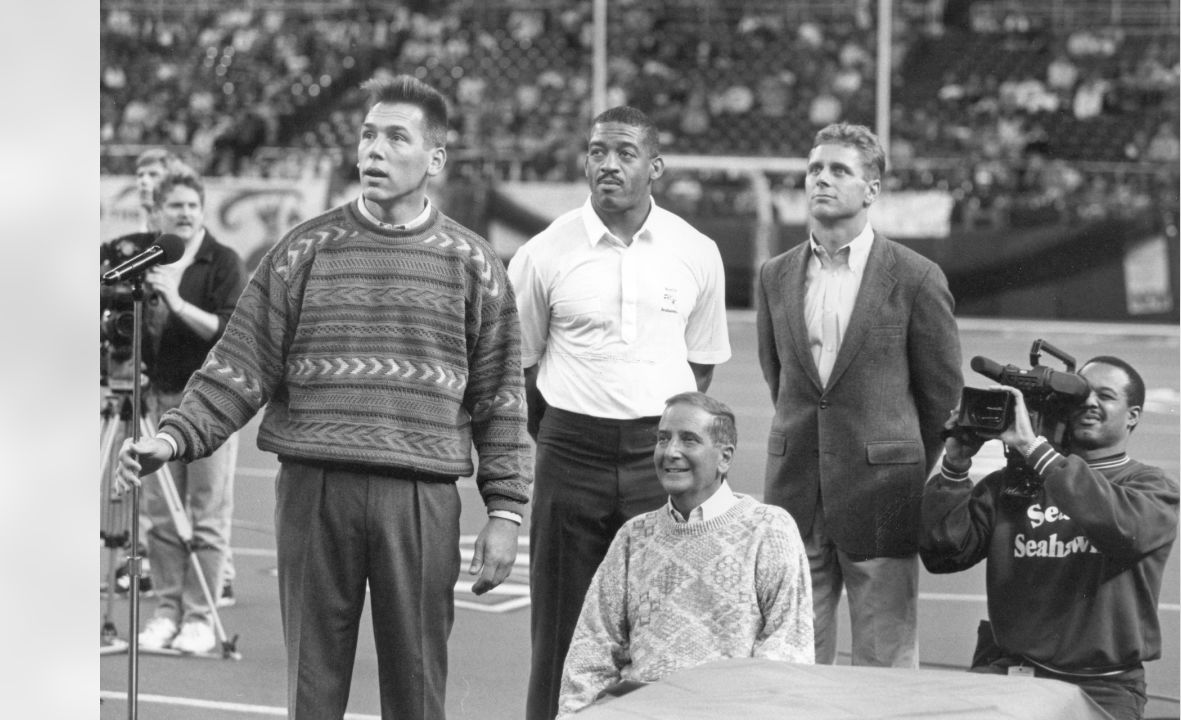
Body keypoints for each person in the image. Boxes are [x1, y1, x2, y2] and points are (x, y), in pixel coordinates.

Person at [116, 74, 531, 719]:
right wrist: (172, 438)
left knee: (418, 690)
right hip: (313, 488)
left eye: (396, 137)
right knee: (311, 688)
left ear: (436, 159)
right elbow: (237, 366)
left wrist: (505, 512)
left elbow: (501, 399)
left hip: (419, 497)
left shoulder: (474, 264)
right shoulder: (301, 250)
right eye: (368, 134)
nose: (375, 150)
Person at [509, 105, 732, 720]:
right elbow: (522, 365)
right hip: (569, 451)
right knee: (560, 627)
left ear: (654, 166)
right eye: (597, 151)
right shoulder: (542, 252)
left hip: (660, 459)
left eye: (624, 152)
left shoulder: (696, 250)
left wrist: (657, 429)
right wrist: (561, 428)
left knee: (667, 624)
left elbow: (700, 367)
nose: (608, 164)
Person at [756, 122, 963, 668]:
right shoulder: (775, 275)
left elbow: (943, 398)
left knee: (884, 666)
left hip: (883, 492)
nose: (822, 179)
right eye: (815, 168)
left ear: (871, 189)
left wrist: (891, 457)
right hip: (796, 489)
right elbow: (779, 376)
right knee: (792, 661)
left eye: (839, 170)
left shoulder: (916, 277)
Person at [919, 356, 1179, 720]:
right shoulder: (1016, 483)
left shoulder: (1151, 488)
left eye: (1106, 396)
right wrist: (955, 465)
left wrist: (1036, 450)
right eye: (1083, 394)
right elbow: (943, 554)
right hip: (1012, 672)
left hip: (1103, 686)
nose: (1090, 403)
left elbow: (1120, 527)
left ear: (1132, 415)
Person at [557, 392, 814, 717]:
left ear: (725, 457)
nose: (671, 452)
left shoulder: (768, 529)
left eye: (689, 440)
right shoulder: (633, 537)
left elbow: (787, 647)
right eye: (663, 439)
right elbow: (591, 649)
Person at [115, 171, 247, 653]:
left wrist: (176, 300)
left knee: (207, 514)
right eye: (177, 207)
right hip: (157, 401)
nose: (186, 214)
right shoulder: (150, 260)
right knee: (159, 517)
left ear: (203, 209)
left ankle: (199, 616)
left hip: (210, 407)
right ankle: (167, 610)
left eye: (193, 205)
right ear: (160, 212)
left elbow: (230, 332)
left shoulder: (223, 262)